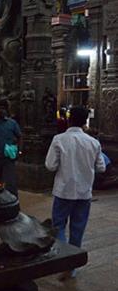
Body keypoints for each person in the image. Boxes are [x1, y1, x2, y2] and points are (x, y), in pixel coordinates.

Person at [45, 105, 106, 279]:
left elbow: (50, 165)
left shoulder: (59, 139)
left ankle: (64, 259)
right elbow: (101, 167)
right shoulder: (93, 142)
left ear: (70, 119)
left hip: (63, 191)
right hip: (84, 192)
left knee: (58, 227)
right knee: (77, 229)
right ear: (84, 123)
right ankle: (71, 267)